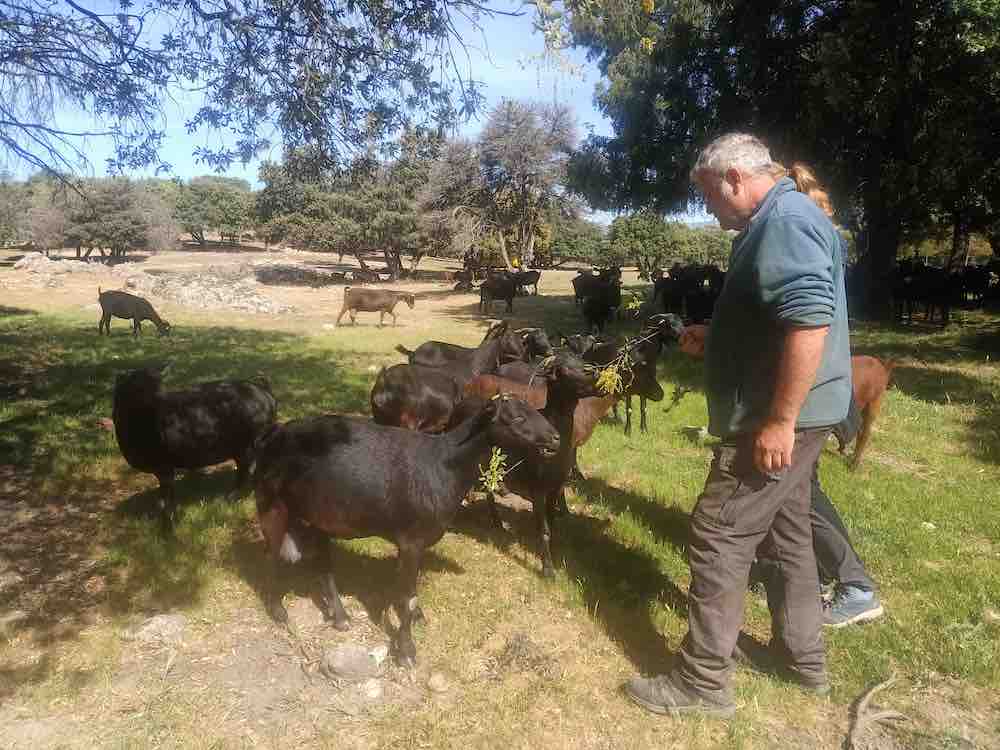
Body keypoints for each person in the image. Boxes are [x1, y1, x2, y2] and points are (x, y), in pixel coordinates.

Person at [625, 133, 851, 718]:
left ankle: (701, 683)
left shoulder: (783, 222)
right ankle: (804, 661)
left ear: (732, 178)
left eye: (706, 195)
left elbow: (807, 322)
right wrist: (718, 336)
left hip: (775, 419)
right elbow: (775, 319)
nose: (707, 208)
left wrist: (779, 419)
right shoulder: (780, 218)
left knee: (719, 533)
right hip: (800, 414)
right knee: (788, 536)